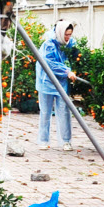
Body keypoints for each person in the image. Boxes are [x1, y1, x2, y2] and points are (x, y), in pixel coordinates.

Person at [35, 20, 79, 151]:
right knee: (45, 112)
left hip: (62, 82)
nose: (67, 37)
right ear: (60, 32)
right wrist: (66, 71)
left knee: (64, 112)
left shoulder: (70, 44)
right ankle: (43, 141)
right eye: (66, 34)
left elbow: (74, 58)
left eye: (70, 34)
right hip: (46, 82)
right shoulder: (48, 45)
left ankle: (66, 141)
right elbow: (50, 63)